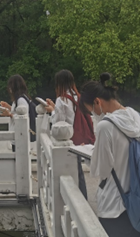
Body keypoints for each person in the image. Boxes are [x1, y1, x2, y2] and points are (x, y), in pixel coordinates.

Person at [80, 73, 140, 237]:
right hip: (136, 200)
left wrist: (88, 155)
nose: (93, 114)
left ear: (97, 102)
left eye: (92, 110)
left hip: (113, 204)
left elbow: (101, 171)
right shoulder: (135, 116)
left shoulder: (105, 127)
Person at [45, 69, 95, 198]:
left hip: (69, 139)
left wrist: (52, 111)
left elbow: (59, 122)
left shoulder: (62, 99)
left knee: (72, 170)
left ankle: (77, 198)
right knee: (78, 169)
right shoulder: (78, 97)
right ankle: (83, 196)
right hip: (80, 136)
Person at [0, 74, 37, 142]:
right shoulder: (20, 98)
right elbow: (19, 111)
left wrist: (9, 114)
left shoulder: (21, 100)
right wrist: (8, 107)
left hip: (20, 135)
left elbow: (23, 117)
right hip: (18, 134)